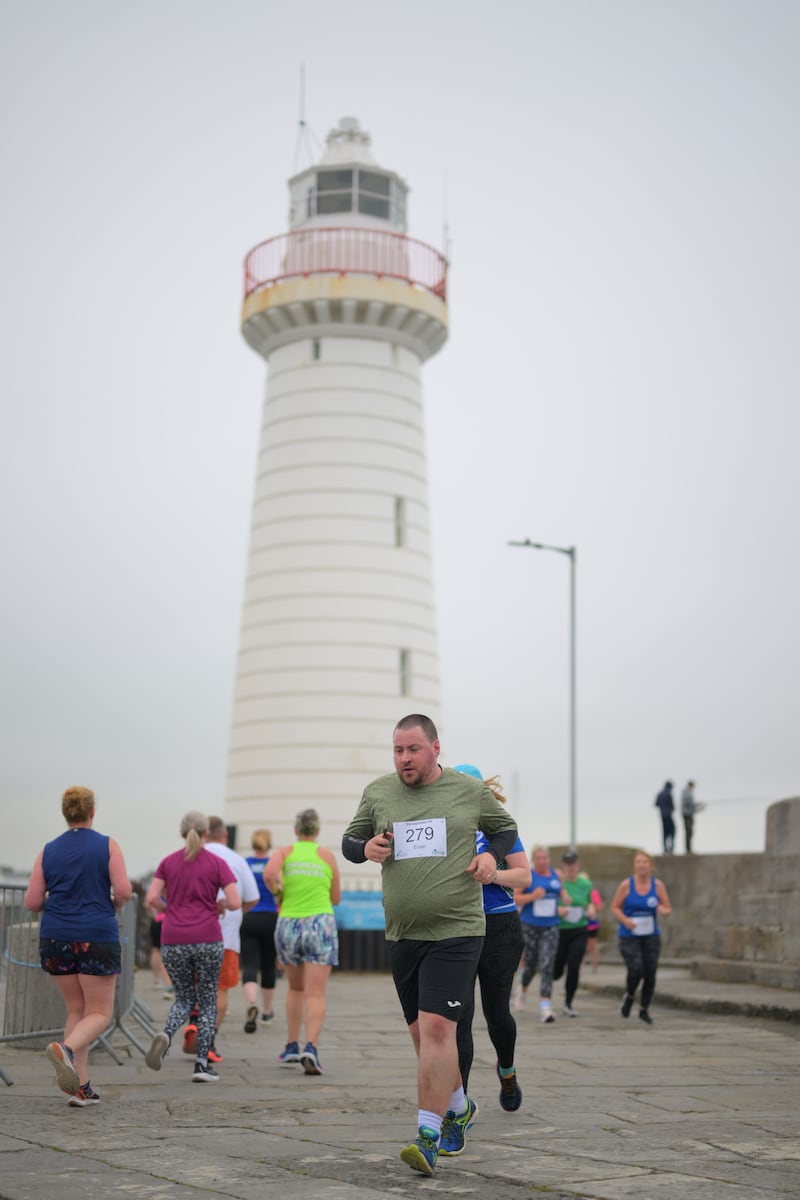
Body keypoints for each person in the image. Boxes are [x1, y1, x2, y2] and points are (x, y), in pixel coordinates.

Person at [341, 714, 518, 1177]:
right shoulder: (379, 792)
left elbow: (505, 829)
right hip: (403, 932)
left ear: (435, 748)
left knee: (440, 1030)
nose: (404, 759)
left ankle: (427, 1135)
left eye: (413, 750)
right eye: (398, 751)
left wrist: (489, 856)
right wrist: (366, 850)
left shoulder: (467, 790)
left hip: (458, 929)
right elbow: (349, 839)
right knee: (423, 1038)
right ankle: (459, 1106)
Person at [24, 785, 132, 1107]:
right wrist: (113, 903)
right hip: (96, 934)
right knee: (99, 1012)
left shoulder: (47, 850)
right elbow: (124, 890)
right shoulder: (107, 845)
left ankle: (79, 1087)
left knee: (77, 1009)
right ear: (92, 812)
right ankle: (66, 1050)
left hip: (55, 937)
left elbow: (31, 901)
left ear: (65, 813)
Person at [452, 764, 531, 1114]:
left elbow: (524, 876)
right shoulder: (447, 828)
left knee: (496, 1011)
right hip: (457, 928)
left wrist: (493, 873)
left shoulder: (499, 826)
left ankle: (507, 1070)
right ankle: (460, 1100)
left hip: (499, 928)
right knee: (460, 1015)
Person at [144, 811, 240, 1082]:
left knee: (184, 998)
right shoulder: (217, 862)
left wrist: (169, 908)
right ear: (207, 833)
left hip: (173, 938)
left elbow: (152, 897)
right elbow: (234, 902)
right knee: (208, 1001)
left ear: (181, 833)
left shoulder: (168, 862)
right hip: (208, 938)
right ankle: (201, 1064)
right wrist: (218, 904)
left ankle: (167, 1033)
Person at [264, 808, 341, 1076]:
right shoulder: (327, 856)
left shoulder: (285, 852)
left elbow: (269, 875)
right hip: (319, 923)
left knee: (295, 989)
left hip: (289, 923)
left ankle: (291, 1045)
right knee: (316, 992)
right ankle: (312, 1047)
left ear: (296, 830)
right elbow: (336, 898)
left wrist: (279, 893)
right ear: (317, 831)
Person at [201, 815, 259, 1059]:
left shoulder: (189, 856)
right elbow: (251, 898)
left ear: (203, 834)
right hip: (226, 939)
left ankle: (194, 1028)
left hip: (190, 936)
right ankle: (208, 1043)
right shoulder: (236, 859)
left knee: (194, 990)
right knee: (220, 990)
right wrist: (235, 915)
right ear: (225, 835)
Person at [610, 849, 673, 1025]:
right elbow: (615, 907)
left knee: (650, 973)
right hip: (630, 935)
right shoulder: (626, 885)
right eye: (638, 862)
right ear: (634, 866)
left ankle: (644, 1009)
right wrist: (626, 920)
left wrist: (663, 910)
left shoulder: (657, 886)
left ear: (650, 866)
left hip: (650, 935)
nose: (641, 865)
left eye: (645, 862)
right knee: (636, 969)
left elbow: (668, 908)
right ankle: (629, 996)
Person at [512, 845, 563, 1023]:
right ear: (534, 860)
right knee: (531, 965)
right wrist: (532, 896)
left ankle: (546, 1006)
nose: (542, 861)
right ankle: (522, 989)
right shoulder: (529, 876)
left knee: (547, 963)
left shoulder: (557, 875)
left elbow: (561, 895)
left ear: (549, 859)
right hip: (530, 925)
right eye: (539, 858)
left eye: (545, 858)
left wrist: (564, 904)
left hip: (551, 925)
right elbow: (515, 898)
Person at [241, 828, 280, 1031]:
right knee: (268, 966)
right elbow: (279, 891)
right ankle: (266, 1012)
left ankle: (251, 1003)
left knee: (249, 964)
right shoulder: (272, 865)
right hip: (270, 918)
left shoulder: (246, 864)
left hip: (249, 918)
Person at [552, 850, 595, 1016]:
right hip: (560, 930)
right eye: (567, 864)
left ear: (578, 865)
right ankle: (555, 973)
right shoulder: (557, 883)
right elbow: (547, 904)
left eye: (573, 864)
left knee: (574, 964)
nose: (570, 867)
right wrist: (558, 909)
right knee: (557, 971)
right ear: (563, 866)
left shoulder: (585, 884)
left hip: (579, 929)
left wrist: (591, 909)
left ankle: (568, 1003)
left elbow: (590, 902)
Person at [586, 885, 604, 972]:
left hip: (592, 924)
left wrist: (592, 907)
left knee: (592, 945)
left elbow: (600, 907)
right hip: (579, 924)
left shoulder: (593, 893)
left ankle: (595, 966)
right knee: (579, 946)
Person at [655, 781, 675, 854]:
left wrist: (662, 806)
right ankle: (671, 849)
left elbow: (656, 804)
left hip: (662, 815)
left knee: (664, 833)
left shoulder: (660, 794)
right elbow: (672, 806)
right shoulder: (669, 794)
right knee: (672, 832)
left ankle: (665, 849)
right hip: (668, 815)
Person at [681, 780, 698, 853]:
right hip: (688, 814)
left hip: (687, 813)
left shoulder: (685, 792)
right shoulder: (688, 793)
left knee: (689, 832)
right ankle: (688, 849)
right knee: (689, 831)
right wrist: (696, 807)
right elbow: (689, 803)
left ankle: (688, 848)